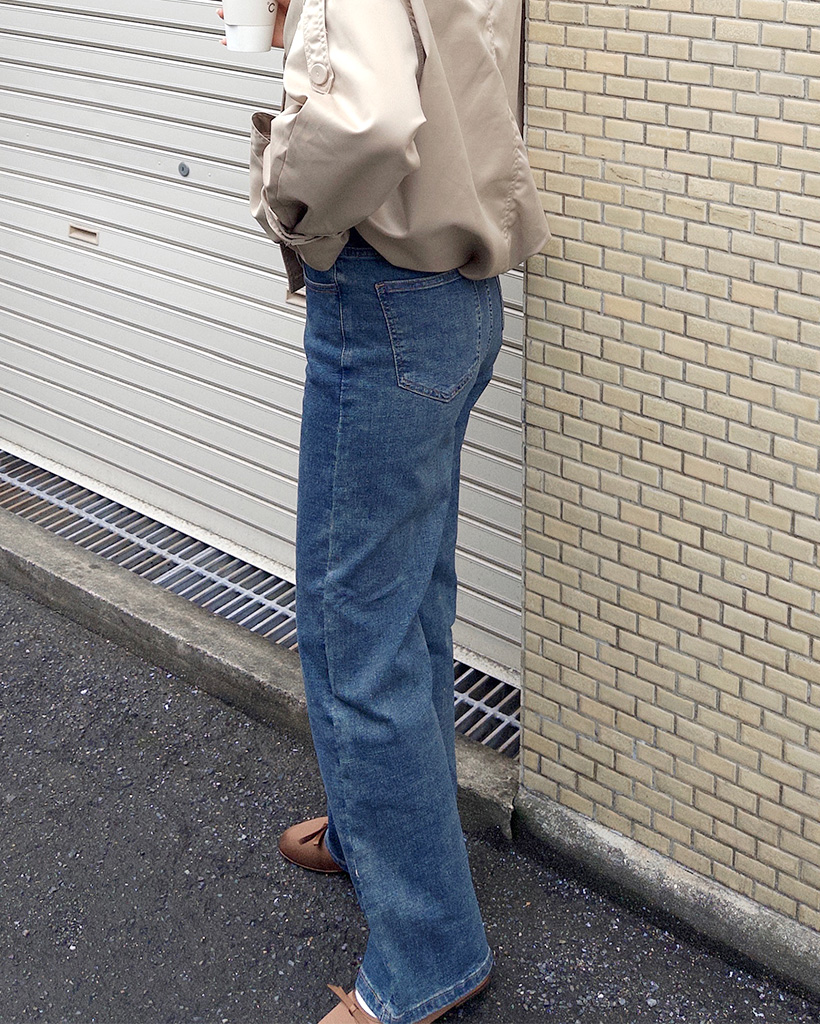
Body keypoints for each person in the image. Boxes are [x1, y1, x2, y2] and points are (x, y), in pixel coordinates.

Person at [237, 1, 549, 1020]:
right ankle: (375, 833)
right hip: (457, 299)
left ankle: (427, 956)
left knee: (353, 633)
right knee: (406, 608)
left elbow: (366, 122)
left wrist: (284, 200)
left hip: (383, 302)